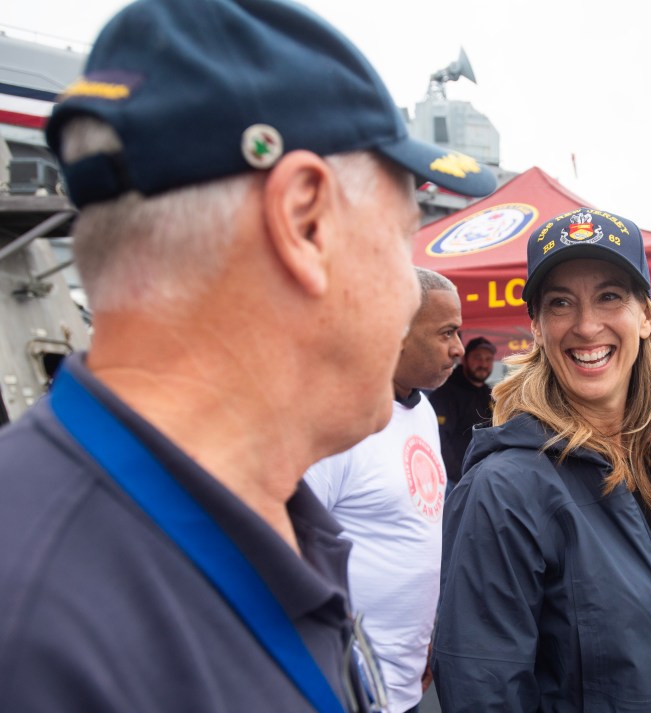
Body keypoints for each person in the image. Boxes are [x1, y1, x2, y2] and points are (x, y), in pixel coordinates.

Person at [0, 1, 494, 710]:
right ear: (304, 222)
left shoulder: (263, 515)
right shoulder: (34, 628)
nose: (404, 295)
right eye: (400, 238)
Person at [432, 208, 651, 712]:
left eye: (610, 296)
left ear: (646, 317)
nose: (587, 326)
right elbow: (483, 689)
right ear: (538, 329)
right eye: (560, 303)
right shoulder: (504, 489)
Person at [304, 267, 463, 713]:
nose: (459, 349)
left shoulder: (423, 411)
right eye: (447, 332)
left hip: (408, 679)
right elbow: (288, 551)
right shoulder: (335, 419)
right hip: (344, 689)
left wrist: (428, 630)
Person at [428, 335, 496, 485]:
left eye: (488, 359)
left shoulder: (489, 394)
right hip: (453, 482)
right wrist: (461, 477)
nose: (483, 364)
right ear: (464, 360)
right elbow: (439, 440)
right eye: (477, 357)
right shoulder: (445, 393)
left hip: (482, 477)